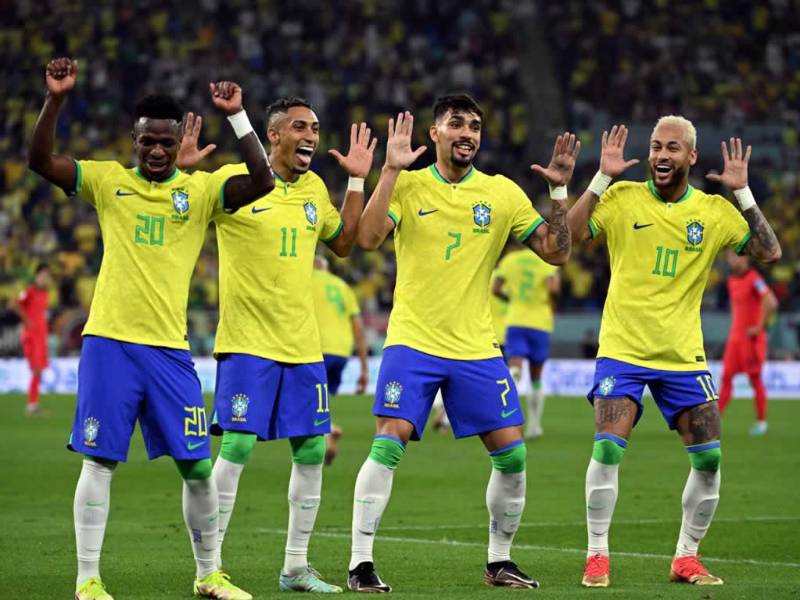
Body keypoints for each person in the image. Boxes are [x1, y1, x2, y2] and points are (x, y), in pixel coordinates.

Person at [28, 57, 272, 600]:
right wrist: (56, 99)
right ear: (133, 141)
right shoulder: (107, 182)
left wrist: (237, 118)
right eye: (148, 142)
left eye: (165, 142)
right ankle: (87, 579)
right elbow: (39, 159)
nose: (158, 151)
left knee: (197, 467)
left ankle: (209, 574)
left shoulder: (203, 191)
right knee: (100, 460)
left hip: (169, 350)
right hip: (110, 342)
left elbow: (262, 180)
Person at [349, 94, 578, 592]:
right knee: (389, 444)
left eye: (475, 125)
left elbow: (557, 253)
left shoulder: (501, 194)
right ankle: (360, 563)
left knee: (513, 456)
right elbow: (366, 239)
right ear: (435, 133)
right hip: (413, 341)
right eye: (457, 124)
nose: (468, 132)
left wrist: (559, 193)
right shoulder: (408, 186)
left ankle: (500, 561)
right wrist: (387, 171)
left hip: (476, 347)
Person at [567, 118, 781, 588]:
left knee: (708, 460)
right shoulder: (621, 198)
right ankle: (597, 555)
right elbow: (568, 238)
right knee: (607, 446)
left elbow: (769, 251)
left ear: (690, 157)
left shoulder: (714, 212)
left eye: (673, 148)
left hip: (683, 356)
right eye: (656, 147)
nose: (662, 154)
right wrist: (601, 178)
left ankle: (686, 557)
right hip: (622, 348)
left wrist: (743, 194)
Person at [178, 97, 376, 593]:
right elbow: (184, 212)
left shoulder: (313, 187)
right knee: (238, 443)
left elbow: (345, 242)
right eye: (299, 127)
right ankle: (210, 567)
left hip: (303, 347)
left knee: (311, 448)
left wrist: (356, 180)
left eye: (314, 127)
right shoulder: (233, 182)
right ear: (274, 135)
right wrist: (181, 179)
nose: (311, 135)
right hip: (247, 342)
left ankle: (294, 567)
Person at [493, 246, 560, 438]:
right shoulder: (546, 260)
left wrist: (511, 300)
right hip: (540, 322)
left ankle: (507, 419)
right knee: (536, 377)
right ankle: (534, 426)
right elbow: (553, 287)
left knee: (514, 367)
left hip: (515, 320)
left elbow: (496, 289)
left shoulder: (510, 260)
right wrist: (551, 305)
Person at [311, 254, 369, 465]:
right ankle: (326, 431)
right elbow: (359, 329)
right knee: (319, 398)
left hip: (314, 349)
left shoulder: (304, 280)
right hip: (341, 352)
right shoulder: (343, 287)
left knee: (300, 397)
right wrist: (364, 369)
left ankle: (328, 430)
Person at [717, 249, 778, 435]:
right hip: (735, 339)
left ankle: (761, 423)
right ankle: (714, 421)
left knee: (755, 379)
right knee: (726, 378)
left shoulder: (754, 278)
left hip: (751, 340)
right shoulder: (731, 280)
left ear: (747, 258)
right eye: (732, 256)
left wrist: (759, 328)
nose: (735, 259)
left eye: (739, 255)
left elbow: (771, 302)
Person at [8, 264, 51, 415]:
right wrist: (26, 319)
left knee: (38, 371)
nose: (45, 278)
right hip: (31, 335)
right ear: (37, 276)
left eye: (47, 276)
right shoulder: (29, 291)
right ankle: (32, 405)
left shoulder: (45, 293)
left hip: (41, 335)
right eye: (43, 275)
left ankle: (33, 403)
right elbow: (13, 304)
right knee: (37, 369)